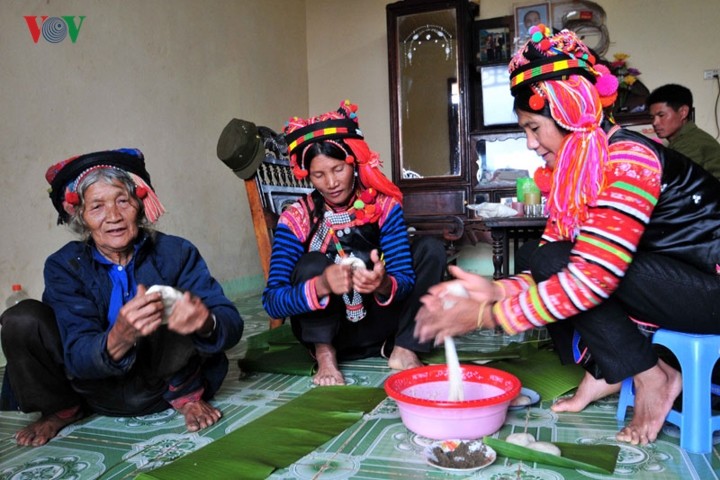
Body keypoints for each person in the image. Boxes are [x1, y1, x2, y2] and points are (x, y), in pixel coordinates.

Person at [414, 26, 720, 447]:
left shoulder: (629, 157)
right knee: (542, 259)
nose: (531, 143)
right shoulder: (576, 172)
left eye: (534, 128)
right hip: (673, 283)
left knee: (577, 269)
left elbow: (594, 276)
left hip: (710, 288)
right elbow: (548, 260)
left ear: (570, 110)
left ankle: (654, 377)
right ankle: (612, 370)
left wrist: (488, 316)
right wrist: (493, 291)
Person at [0, 148, 244, 446]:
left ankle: (187, 396)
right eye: (97, 207)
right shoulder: (64, 265)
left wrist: (206, 322)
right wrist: (119, 337)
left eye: (122, 201)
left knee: (164, 297)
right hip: (90, 391)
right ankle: (60, 408)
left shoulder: (176, 252)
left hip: (165, 388)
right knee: (21, 318)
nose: (113, 216)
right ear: (81, 217)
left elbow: (231, 323)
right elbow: (76, 351)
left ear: (140, 206)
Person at [262, 100, 446, 386]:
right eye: (318, 175)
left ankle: (405, 348)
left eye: (338, 169)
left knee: (430, 249)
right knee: (312, 263)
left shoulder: (383, 206)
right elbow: (273, 302)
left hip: (383, 324)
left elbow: (406, 279)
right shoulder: (296, 217)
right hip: (332, 333)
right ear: (307, 176)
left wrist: (382, 284)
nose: (331, 183)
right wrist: (322, 285)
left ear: (353, 163)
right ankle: (325, 356)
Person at [646, 83, 720, 179]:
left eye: (661, 115)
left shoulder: (690, 143)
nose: (655, 123)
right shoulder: (686, 139)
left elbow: (674, 181)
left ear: (683, 112)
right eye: (652, 117)